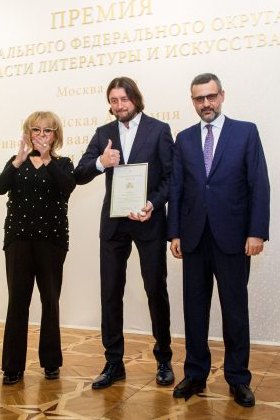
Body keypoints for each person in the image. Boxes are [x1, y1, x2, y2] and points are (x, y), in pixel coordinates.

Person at [168, 73, 270, 408]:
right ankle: (195, 374)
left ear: (222, 95)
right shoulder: (183, 138)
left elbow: (259, 184)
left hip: (234, 239)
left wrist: (256, 232)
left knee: (235, 311)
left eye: (211, 96)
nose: (206, 104)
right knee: (194, 311)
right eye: (199, 99)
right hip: (194, 238)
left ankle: (238, 378)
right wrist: (175, 233)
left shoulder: (246, 132)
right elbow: (177, 189)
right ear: (193, 101)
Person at [75, 77, 174, 389]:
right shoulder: (103, 133)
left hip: (148, 220)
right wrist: (101, 163)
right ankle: (113, 363)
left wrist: (152, 204)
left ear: (135, 98)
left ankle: (164, 359)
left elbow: (171, 178)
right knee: (110, 292)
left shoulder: (159, 130)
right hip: (114, 225)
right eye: (114, 100)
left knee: (155, 290)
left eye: (124, 99)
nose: (119, 105)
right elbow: (79, 173)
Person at [0, 111, 76, 385]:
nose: (41, 135)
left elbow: (67, 188)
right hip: (18, 240)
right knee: (17, 302)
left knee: (50, 301)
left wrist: (48, 160)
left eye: (47, 130)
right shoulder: (16, 162)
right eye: (36, 130)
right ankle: (12, 366)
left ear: (55, 135)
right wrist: (17, 160)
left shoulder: (63, 164)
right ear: (28, 133)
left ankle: (51, 362)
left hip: (52, 241)